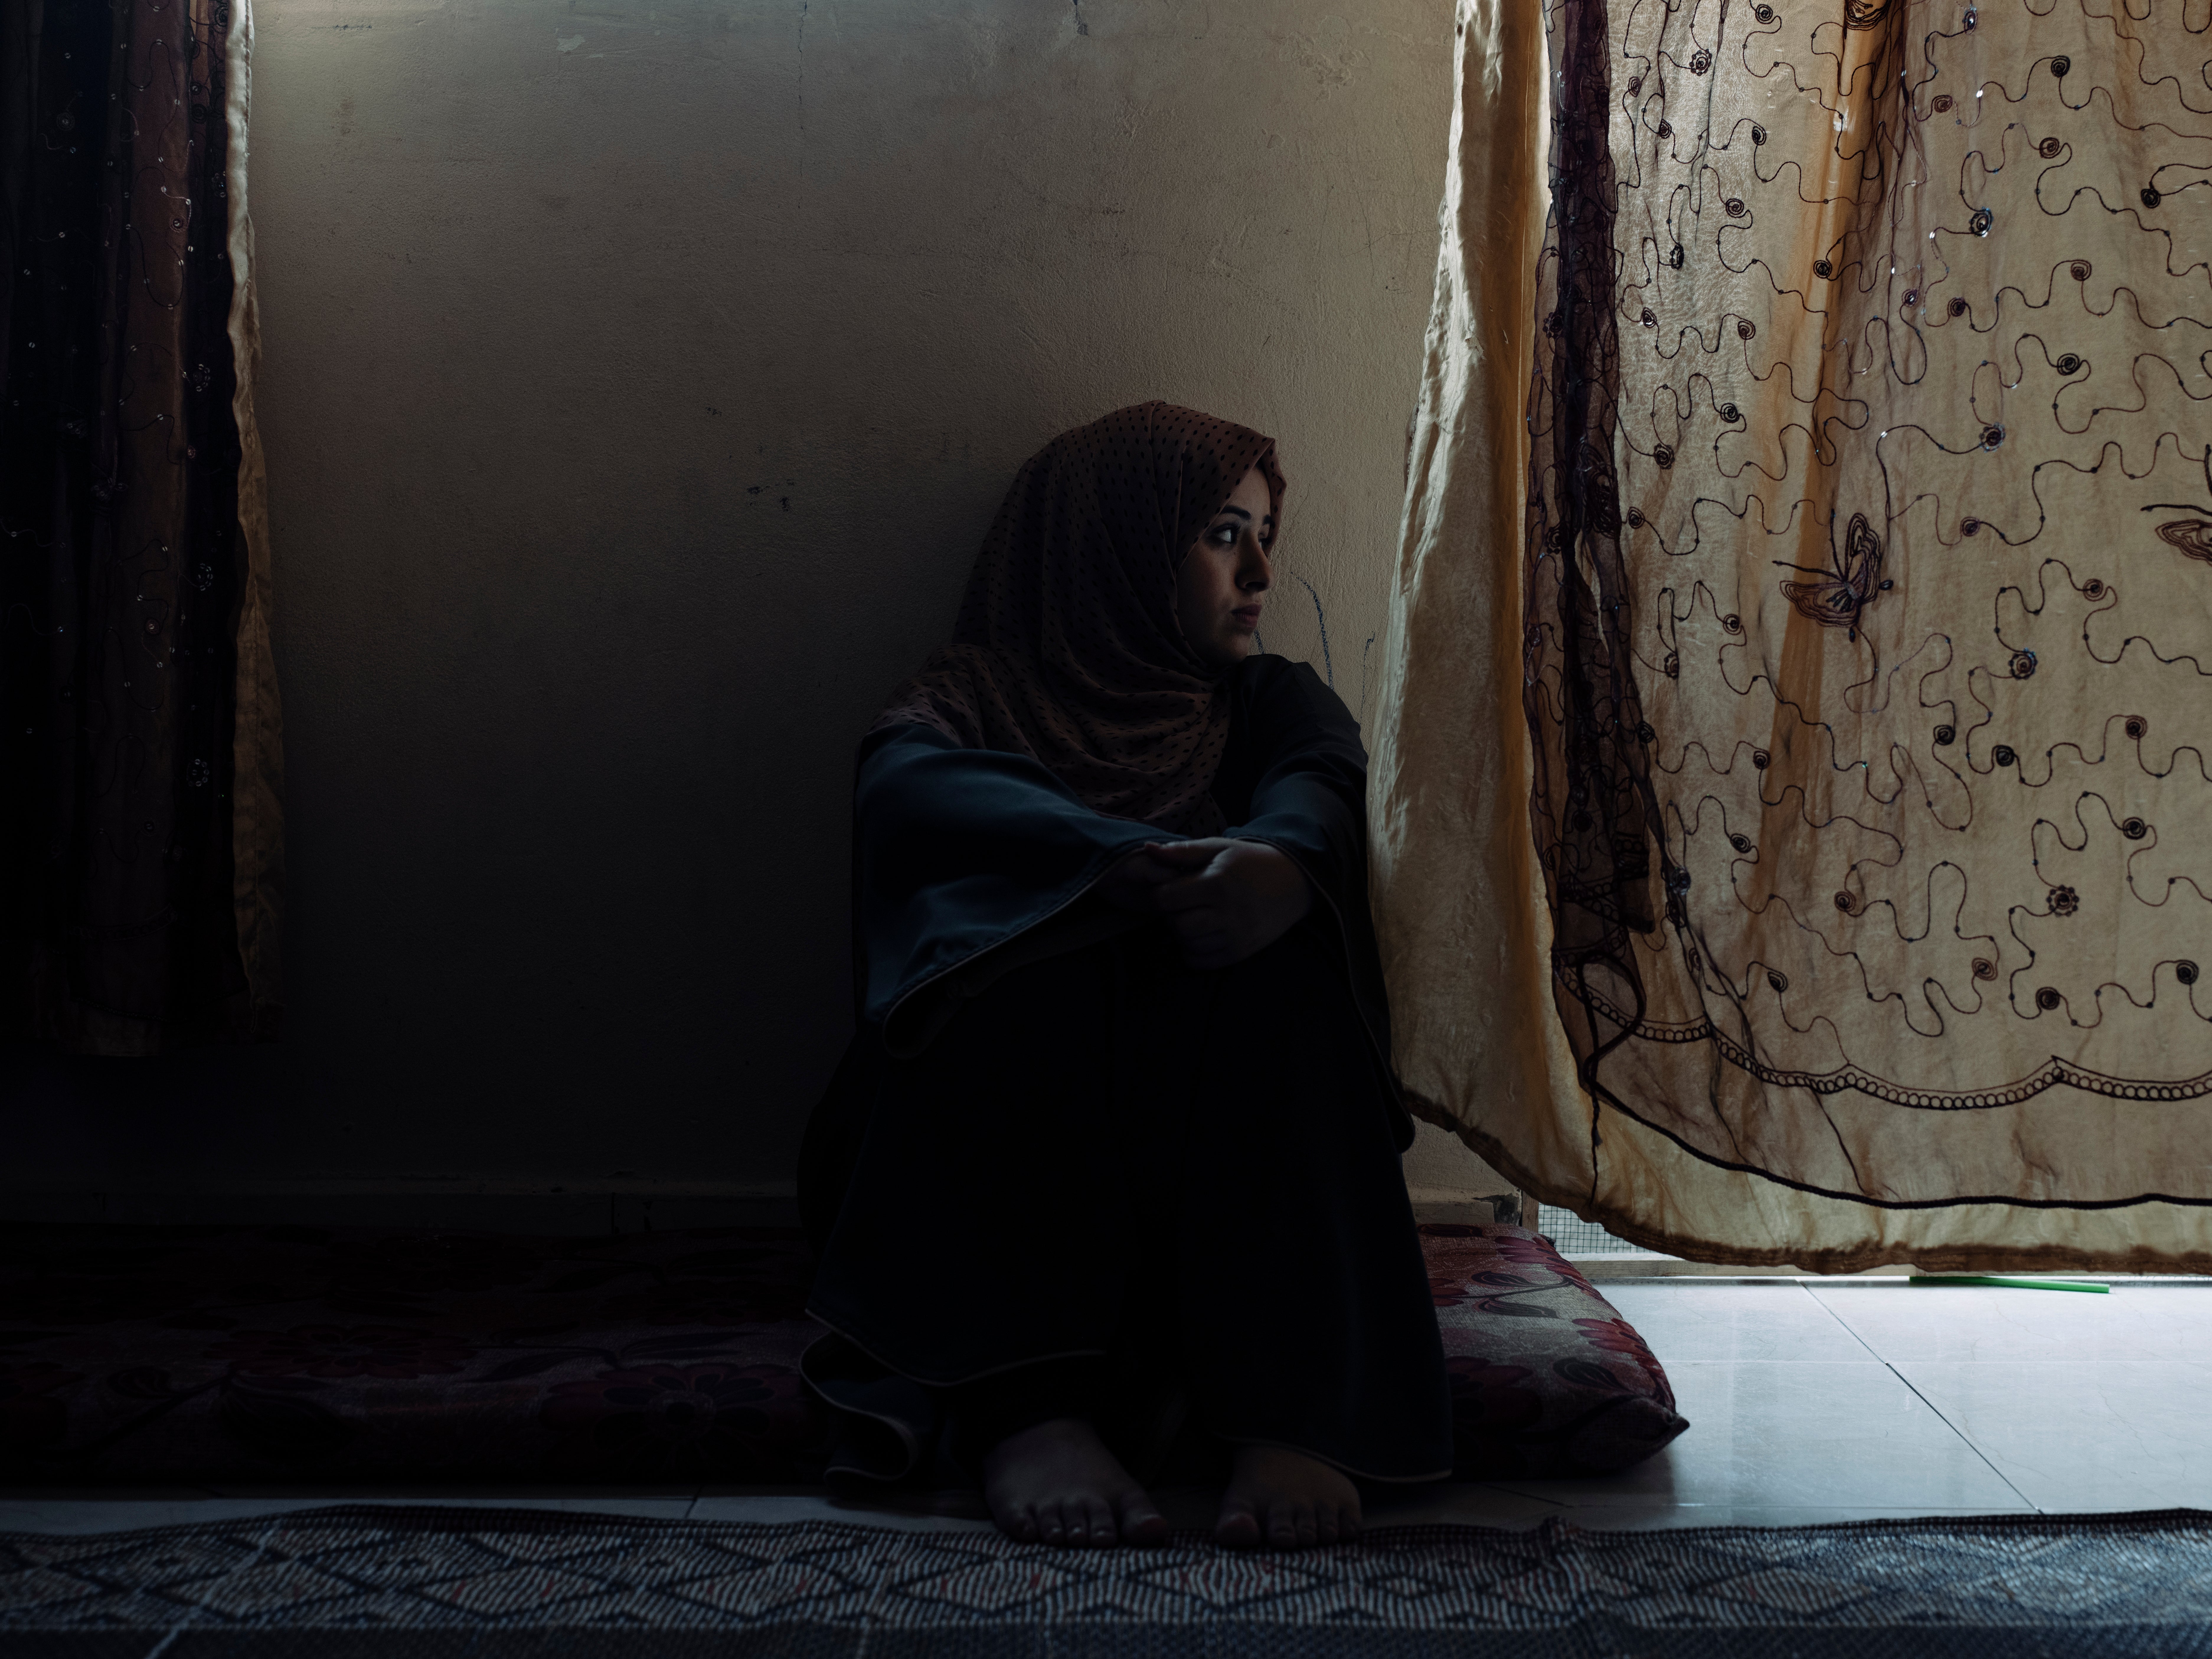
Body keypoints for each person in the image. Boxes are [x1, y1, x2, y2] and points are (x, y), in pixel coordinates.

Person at [798, 401, 1450, 1552]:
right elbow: (903, 787)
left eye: (1264, 536)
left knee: (1291, 986)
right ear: (1113, 547)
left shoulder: (1262, 701)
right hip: (1008, 1140)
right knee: (1012, 976)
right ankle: (1024, 1408)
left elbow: (1323, 775)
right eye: (1221, 534)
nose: (1259, 572)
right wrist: (1106, 866)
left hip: (1217, 1135)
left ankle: (1292, 1408)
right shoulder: (975, 694)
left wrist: (1282, 867)